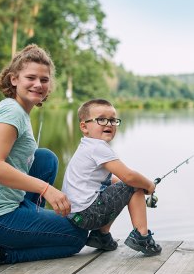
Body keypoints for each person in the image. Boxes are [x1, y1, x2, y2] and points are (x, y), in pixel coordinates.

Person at [0, 44, 87, 264]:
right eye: (31, 78)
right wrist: (47, 190)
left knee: (46, 159)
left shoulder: (18, 111)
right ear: (14, 79)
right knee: (76, 236)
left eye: (44, 80)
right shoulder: (12, 111)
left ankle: (27, 225)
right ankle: (0, 253)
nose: (38, 84)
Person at [62, 99, 161, 256]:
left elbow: (108, 182)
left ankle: (101, 236)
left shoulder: (86, 146)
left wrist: (125, 186)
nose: (109, 124)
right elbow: (129, 176)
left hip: (76, 214)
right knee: (133, 185)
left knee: (119, 187)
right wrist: (148, 185)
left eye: (113, 120)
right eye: (101, 119)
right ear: (84, 126)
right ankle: (142, 237)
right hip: (87, 213)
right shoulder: (98, 147)